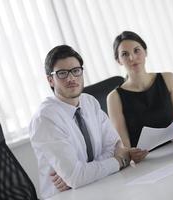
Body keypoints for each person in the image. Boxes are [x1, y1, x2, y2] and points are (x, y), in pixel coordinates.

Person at [29, 45, 131, 199]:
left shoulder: (89, 102)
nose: (71, 78)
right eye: (62, 74)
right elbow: (77, 178)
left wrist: (82, 173)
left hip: (100, 186)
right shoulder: (45, 118)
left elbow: (114, 146)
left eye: (76, 71)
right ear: (51, 80)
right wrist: (118, 161)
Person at [107, 31, 173, 163]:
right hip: (146, 162)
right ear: (118, 61)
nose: (132, 58)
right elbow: (124, 147)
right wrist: (130, 154)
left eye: (136, 50)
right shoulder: (114, 98)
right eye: (125, 54)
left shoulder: (168, 79)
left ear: (145, 52)